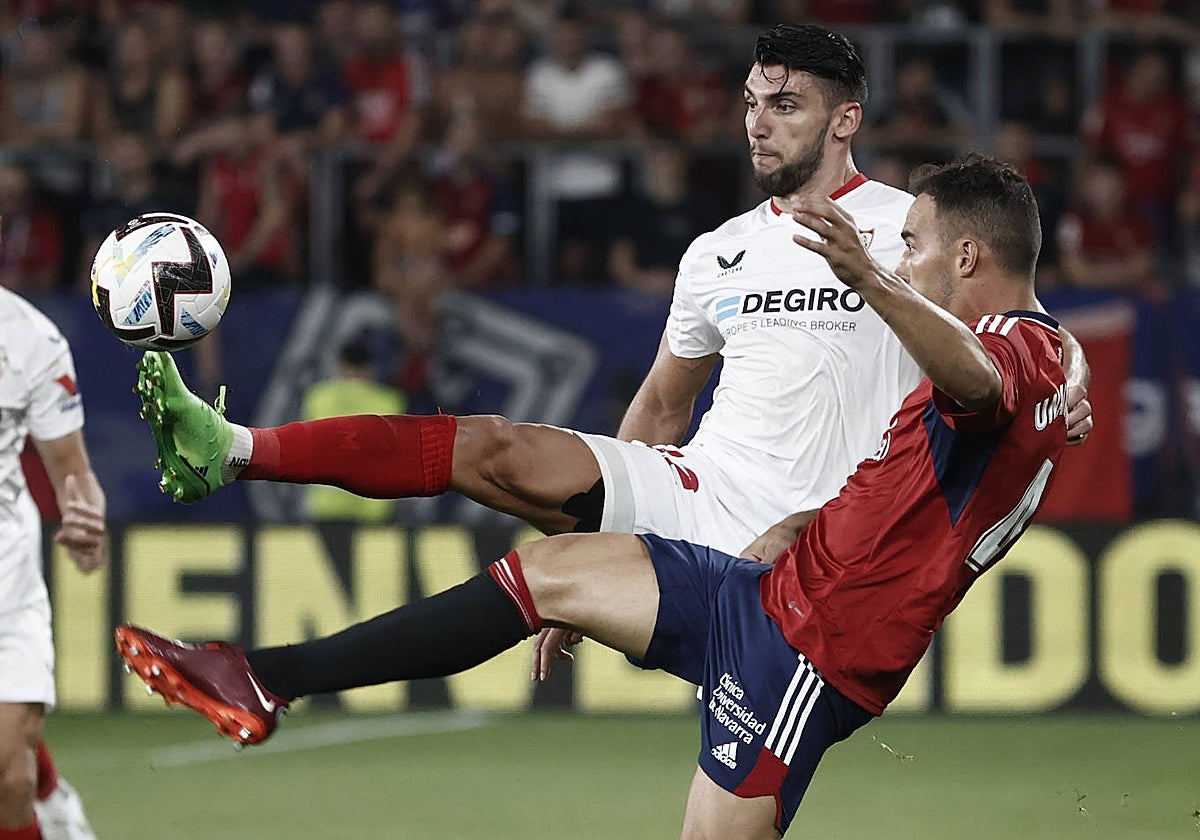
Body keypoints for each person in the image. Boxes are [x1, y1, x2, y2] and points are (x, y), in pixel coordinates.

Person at [117, 153, 1070, 838]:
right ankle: (263, 676)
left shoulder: (1021, 353)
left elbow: (985, 382)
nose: (899, 260)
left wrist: (866, 275)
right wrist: (795, 523)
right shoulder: (1041, 367)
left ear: (970, 260)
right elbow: (920, 472)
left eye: (913, 247)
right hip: (763, 589)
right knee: (551, 571)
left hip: (810, 658)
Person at [128, 24, 1092, 676]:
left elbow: (1014, 324)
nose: (759, 121)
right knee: (495, 445)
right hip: (706, 493)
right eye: (752, 101)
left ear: (846, 119)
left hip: (818, 536)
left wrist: (1074, 374)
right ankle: (238, 449)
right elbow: (663, 412)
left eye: (787, 104)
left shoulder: (907, 230)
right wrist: (577, 547)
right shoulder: (716, 252)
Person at [0, 285, 107, 840]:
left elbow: (73, 469)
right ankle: (48, 789)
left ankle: (40, 794)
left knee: (4, 778)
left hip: (5, 578)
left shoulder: (31, 340)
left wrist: (86, 519)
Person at [300, 338, 406, 522]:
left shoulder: (318, 397)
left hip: (327, 502)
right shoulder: (390, 401)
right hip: (373, 505)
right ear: (370, 367)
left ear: (341, 364)